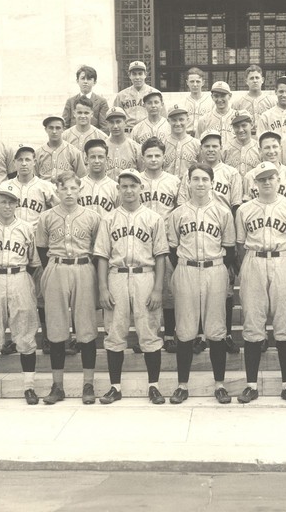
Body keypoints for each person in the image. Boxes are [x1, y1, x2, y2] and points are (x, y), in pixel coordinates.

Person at [94, 169, 169, 405]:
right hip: (117, 275)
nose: (128, 190)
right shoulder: (108, 218)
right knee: (115, 331)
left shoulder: (153, 218)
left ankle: (154, 387)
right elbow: (102, 256)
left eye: (133, 186)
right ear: (118, 189)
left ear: (141, 188)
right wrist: (103, 289)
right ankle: (115, 387)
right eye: (124, 186)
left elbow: (160, 256)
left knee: (149, 331)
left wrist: (158, 289)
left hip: (144, 275)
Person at [167, 163, 237, 404]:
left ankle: (219, 384)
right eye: (195, 179)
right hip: (186, 268)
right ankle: (182, 385)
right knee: (185, 330)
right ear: (188, 182)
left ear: (211, 182)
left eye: (204, 179)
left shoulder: (222, 212)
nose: (199, 183)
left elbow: (229, 249)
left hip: (214, 268)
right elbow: (172, 249)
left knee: (216, 330)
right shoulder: (178, 213)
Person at [235, 162, 286, 403]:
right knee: (253, 323)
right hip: (254, 260)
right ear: (255, 183)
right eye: (261, 179)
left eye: (270, 178)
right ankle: (251, 385)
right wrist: (248, 267)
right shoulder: (244, 209)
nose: (266, 182)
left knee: (285, 322)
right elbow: (240, 243)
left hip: (282, 259)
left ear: (278, 180)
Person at [0, 146, 59, 355]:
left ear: (35, 162)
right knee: (12, 297)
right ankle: (13, 339)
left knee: (41, 295)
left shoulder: (45, 186)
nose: (24, 163)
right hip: (11, 246)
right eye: (20, 160)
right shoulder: (5, 186)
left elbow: (60, 213)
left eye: (28, 159)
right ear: (14, 163)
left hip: (39, 245)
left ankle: (47, 337)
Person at [35, 171, 102, 405]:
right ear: (57, 191)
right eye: (64, 188)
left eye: (74, 188)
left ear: (80, 189)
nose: (69, 193)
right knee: (55, 329)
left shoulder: (92, 216)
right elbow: (42, 249)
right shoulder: (46, 217)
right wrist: (54, 269)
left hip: (84, 267)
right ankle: (57, 385)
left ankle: (88, 384)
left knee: (86, 329)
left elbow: (98, 248)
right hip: (57, 266)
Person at [0, 184, 42, 406]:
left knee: (25, 332)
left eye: (11, 201)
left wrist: (22, 279)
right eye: (3, 201)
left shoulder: (26, 228)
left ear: (17, 204)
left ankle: (29, 388)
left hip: (20, 275)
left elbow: (33, 262)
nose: (7, 205)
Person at [182, 130, 243, 354]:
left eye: (214, 146)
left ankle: (224, 333)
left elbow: (236, 205)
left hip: (222, 231)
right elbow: (183, 202)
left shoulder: (231, 173)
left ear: (221, 149)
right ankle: (199, 335)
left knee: (225, 289)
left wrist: (234, 243)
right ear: (201, 149)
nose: (210, 149)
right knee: (198, 290)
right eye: (206, 146)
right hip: (197, 230)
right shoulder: (193, 173)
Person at [139, 137, 182, 353]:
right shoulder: (136, 180)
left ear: (164, 157)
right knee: (143, 289)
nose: (154, 159)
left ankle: (168, 333)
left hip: (166, 240)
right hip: (140, 240)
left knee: (168, 290)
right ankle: (145, 333)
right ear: (142, 157)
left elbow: (180, 212)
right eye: (149, 155)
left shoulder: (174, 181)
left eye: (157, 155)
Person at [243, 132, 286, 205]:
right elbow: (247, 207)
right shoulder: (250, 176)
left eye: (274, 147)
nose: (271, 151)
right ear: (260, 150)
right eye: (267, 147)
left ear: (280, 148)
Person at [113, 60, 163, 132]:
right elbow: (116, 116)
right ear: (129, 75)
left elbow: (163, 117)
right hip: (128, 132)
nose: (137, 77)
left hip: (148, 131)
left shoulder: (155, 94)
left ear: (145, 74)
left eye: (140, 74)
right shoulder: (121, 95)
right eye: (134, 74)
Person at [35, 116, 86, 182]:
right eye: (51, 128)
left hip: (66, 190)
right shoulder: (38, 153)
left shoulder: (74, 152)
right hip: (44, 190)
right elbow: (33, 179)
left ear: (63, 129)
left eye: (58, 128)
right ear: (46, 129)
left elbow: (82, 177)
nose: (54, 131)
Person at [79, 139, 120, 217]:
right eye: (93, 157)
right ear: (86, 159)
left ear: (107, 160)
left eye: (100, 157)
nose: (97, 161)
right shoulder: (78, 185)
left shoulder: (115, 187)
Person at [231, 64, 276, 133]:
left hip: (266, 136)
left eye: (257, 78)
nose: (255, 81)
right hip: (246, 138)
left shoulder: (272, 101)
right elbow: (233, 125)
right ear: (246, 81)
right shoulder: (238, 103)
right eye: (251, 78)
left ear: (262, 80)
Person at [63, 65, 109, 131]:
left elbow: (105, 126)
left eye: (89, 79)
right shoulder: (70, 102)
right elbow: (64, 125)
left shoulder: (101, 102)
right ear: (77, 81)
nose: (85, 82)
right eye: (82, 78)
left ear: (94, 82)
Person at [104, 107, 144, 180]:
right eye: (111, 122)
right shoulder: (102, 147)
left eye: (118, 122)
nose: (115, 126)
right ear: (107, 124)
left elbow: (142, 173)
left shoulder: (135, 147)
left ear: (125, 123)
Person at [162, 104, 201, 181]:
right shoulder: (162, 144)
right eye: (174, 120)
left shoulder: (197, 144)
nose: (178, 123)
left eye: (181, 119)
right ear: (168, 121)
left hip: (188, 186)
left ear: (187, 120)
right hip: (167, 185)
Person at [223, 110, 260, 176]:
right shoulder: (226, 149)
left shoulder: (259, 148)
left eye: (244, 125)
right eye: (237, 126)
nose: (240, 130)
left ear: (251, 125)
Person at [182, 67, 213, 136]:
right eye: (192, 81)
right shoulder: (182, 102)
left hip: (205, 137)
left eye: (198, 81)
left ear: (203, 83)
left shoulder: (210, 101)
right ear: (187, 82)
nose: (195, 84)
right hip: (187, 137)